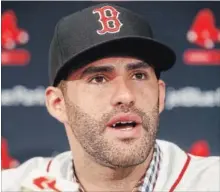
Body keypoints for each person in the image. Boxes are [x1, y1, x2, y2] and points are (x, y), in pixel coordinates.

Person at [2, 3, 219, 192]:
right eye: (99, 79)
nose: (125, 95)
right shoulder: (14, 186)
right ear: (58, 104)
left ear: (160, 95)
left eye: (138, 75)